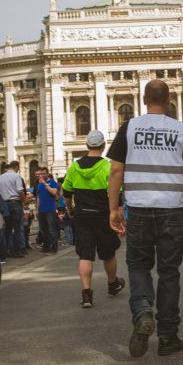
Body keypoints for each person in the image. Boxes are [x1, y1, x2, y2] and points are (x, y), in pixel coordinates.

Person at [107, 79, 183, 358]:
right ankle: (168, 337)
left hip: (138, 209)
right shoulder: (181, 129)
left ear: (143, 97)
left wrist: (114, 208)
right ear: (169, 98)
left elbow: (115, 171)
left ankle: (143, 311)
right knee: (169, 273)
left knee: (138, 266)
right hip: (172, 210)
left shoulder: (130, 128)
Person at [62, 130, 125, 308]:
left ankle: (86, 295)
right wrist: (118, 214)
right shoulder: (107, 167)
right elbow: (117, 195)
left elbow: (67, 193)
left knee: (85, 255)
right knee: (108, 252)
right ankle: (112, 284)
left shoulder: (74, 167)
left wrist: (70, 209)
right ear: (103, 146)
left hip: (82, 215)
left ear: (87, 146)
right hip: (103, 215)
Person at [0, 161, 25, 258]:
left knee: (6, 229)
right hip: (15, 203)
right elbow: (20, 191)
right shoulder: (16, 176)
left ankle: (4, 251)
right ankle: (16, 251)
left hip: (4, 204)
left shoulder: (0, 178)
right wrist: (23, 201)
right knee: (17, 228)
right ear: (16, 167)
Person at [37, 167, 59, 254]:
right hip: (41, 210)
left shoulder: (52, 182)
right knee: (43, 230)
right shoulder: (39, 184)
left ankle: (54, 248)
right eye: (40, 174)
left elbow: (54, 192)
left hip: (50, 209)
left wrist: (45, 184)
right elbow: (38, 197)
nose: (41, 175)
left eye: (43, 174)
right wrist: (37, 209)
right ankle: (46, 247)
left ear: (47, 173)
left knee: (51, 229)